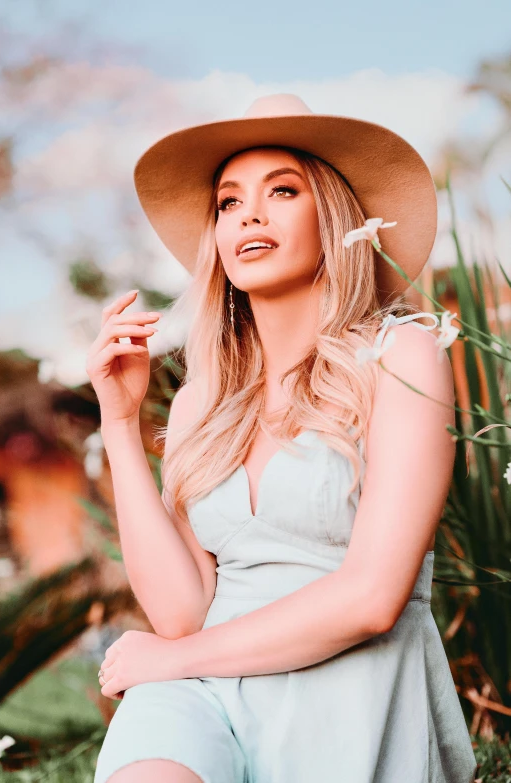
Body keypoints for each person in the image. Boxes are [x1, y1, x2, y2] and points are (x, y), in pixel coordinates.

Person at [89, 94, 477, 783]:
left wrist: (173, 659)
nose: (250, 216)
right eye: (228, 202)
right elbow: (180, 613)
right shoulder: (202, 399)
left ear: (332, 215)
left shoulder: (400, 356)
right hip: (203, 691)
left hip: (351, 690)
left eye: (283, 190)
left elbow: (372, 597)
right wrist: (119, 423)